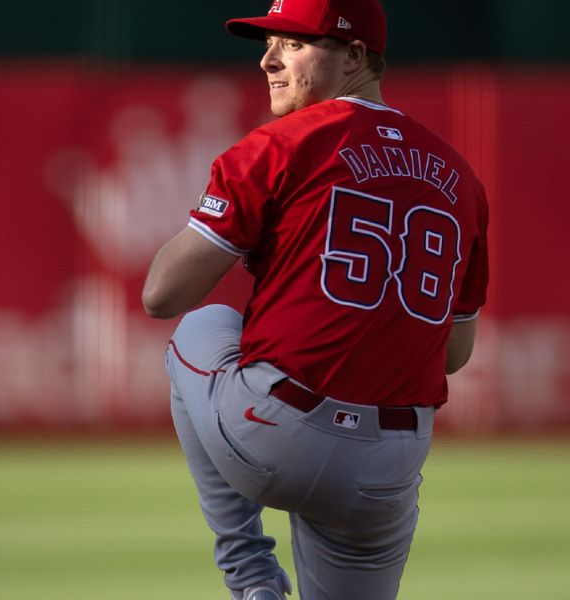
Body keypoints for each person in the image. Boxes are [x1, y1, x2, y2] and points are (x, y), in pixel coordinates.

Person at [142, 0, 489, 598]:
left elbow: (161, 294)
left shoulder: (278, 145)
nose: (268, 59)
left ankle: (251, 577)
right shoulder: (462, 179)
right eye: (270, 42)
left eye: (293, 44)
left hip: (276, 433)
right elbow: (454, 353)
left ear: (355, 55)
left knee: (203, 327)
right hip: (391, 463)